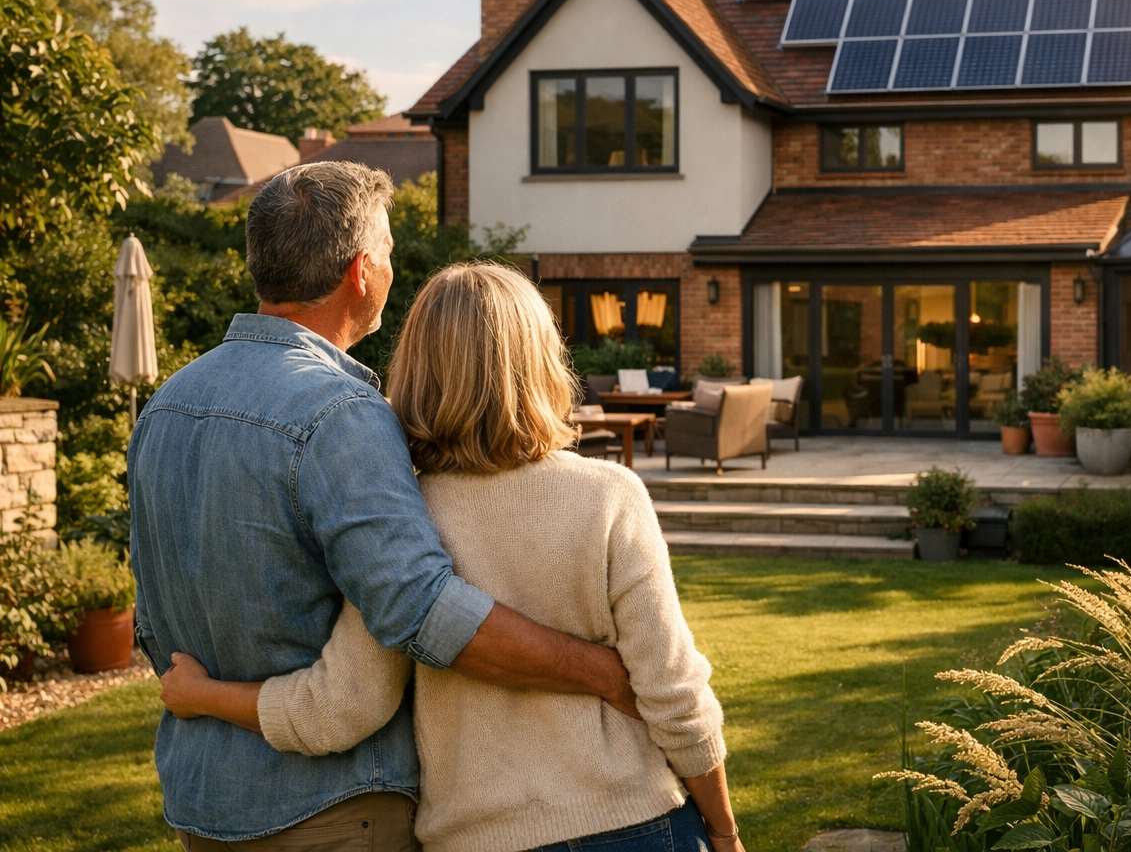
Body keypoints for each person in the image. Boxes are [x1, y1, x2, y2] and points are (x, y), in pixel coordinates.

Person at [130, 163, 636, 849]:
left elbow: (154, 613)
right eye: (390, 253)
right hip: (331, 810)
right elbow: (420, 609)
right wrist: (601, 671)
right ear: (362, 271)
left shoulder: (167, 404)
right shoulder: (340, 412)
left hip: (204, 804)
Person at [159, 262, 744, 852]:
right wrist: (724, 830)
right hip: (636, 822)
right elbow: (675, 694)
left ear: (417, 369)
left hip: (472, 837)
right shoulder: (610, 496)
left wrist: (204, 695)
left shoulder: (399, 514)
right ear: (543, 361)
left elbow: (342, 707)